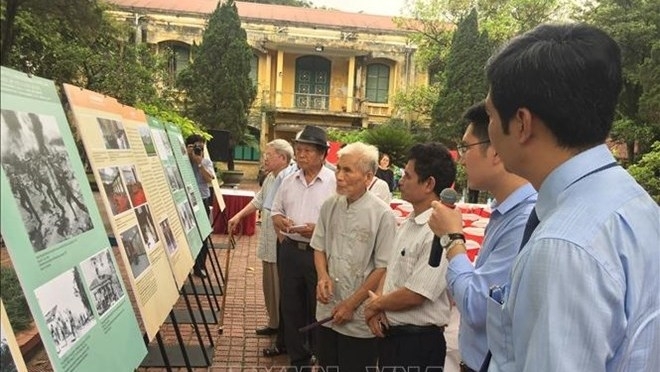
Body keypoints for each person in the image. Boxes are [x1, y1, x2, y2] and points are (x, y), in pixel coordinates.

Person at [429, 24, 659, 371]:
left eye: (491, 115)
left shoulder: (562, 246)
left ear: (521, 123)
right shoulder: (635, 203)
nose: (488, 132)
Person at [429, 102, 537, 372]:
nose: (461, 159)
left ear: (497, 150)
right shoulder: (504, 212)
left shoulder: (524, 220)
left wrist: (453, 240)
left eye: (466, 147)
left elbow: (477, 307)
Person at [364, 142, 456, 370]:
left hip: (418, 344)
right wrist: (379, 306)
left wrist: (375, 305)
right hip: (393, 337)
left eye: (407, 175)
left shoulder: (439, 233)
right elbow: (391, 269)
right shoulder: (409, 224)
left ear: (429, 184)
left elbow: (417, 293)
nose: (400, 181)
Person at [311, 142, 396, 371]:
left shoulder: (383, 215)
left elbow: (382, 267)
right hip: (328, 305)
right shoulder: (329, 206)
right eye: (338, 168)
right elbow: (319, 246)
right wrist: (322, 276)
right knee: (327, 363)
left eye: (347, 170)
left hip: (358, 315)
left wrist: (351, 304)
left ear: (368, 177)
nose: (339, 176)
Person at [271, 125, 336, 368]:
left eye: (307, 150)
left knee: (320, 306)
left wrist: (317, 230)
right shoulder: (288, 180)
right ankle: (298, 359)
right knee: (291, 306)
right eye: (298, 150)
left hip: (319, 255)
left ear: (322, 154)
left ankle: (321, 356)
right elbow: (276, 211)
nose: (300, 155)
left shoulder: (333, 183)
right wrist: (279, 220)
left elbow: (340, 222)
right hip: (290, 251)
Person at [227, 139, 294, 337]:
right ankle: (274, 322)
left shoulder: (288, 179)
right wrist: (239, 215)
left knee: (279, 288)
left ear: (282, 158)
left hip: (280, 243)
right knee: (269, 287)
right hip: (267, 242)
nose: (264, 159)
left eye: (268, 155)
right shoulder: (271, 178)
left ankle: (283, 327)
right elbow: (259, 200)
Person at [185, 133, 216, 278]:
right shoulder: (183, 160)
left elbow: (209, 179)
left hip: (202, 199)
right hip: (185, 200)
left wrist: (199, 163)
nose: (199, 150)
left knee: (203, 233)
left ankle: (200, 266)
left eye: (201, 148)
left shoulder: (205, 162)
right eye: (196, 147)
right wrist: (186, 154)